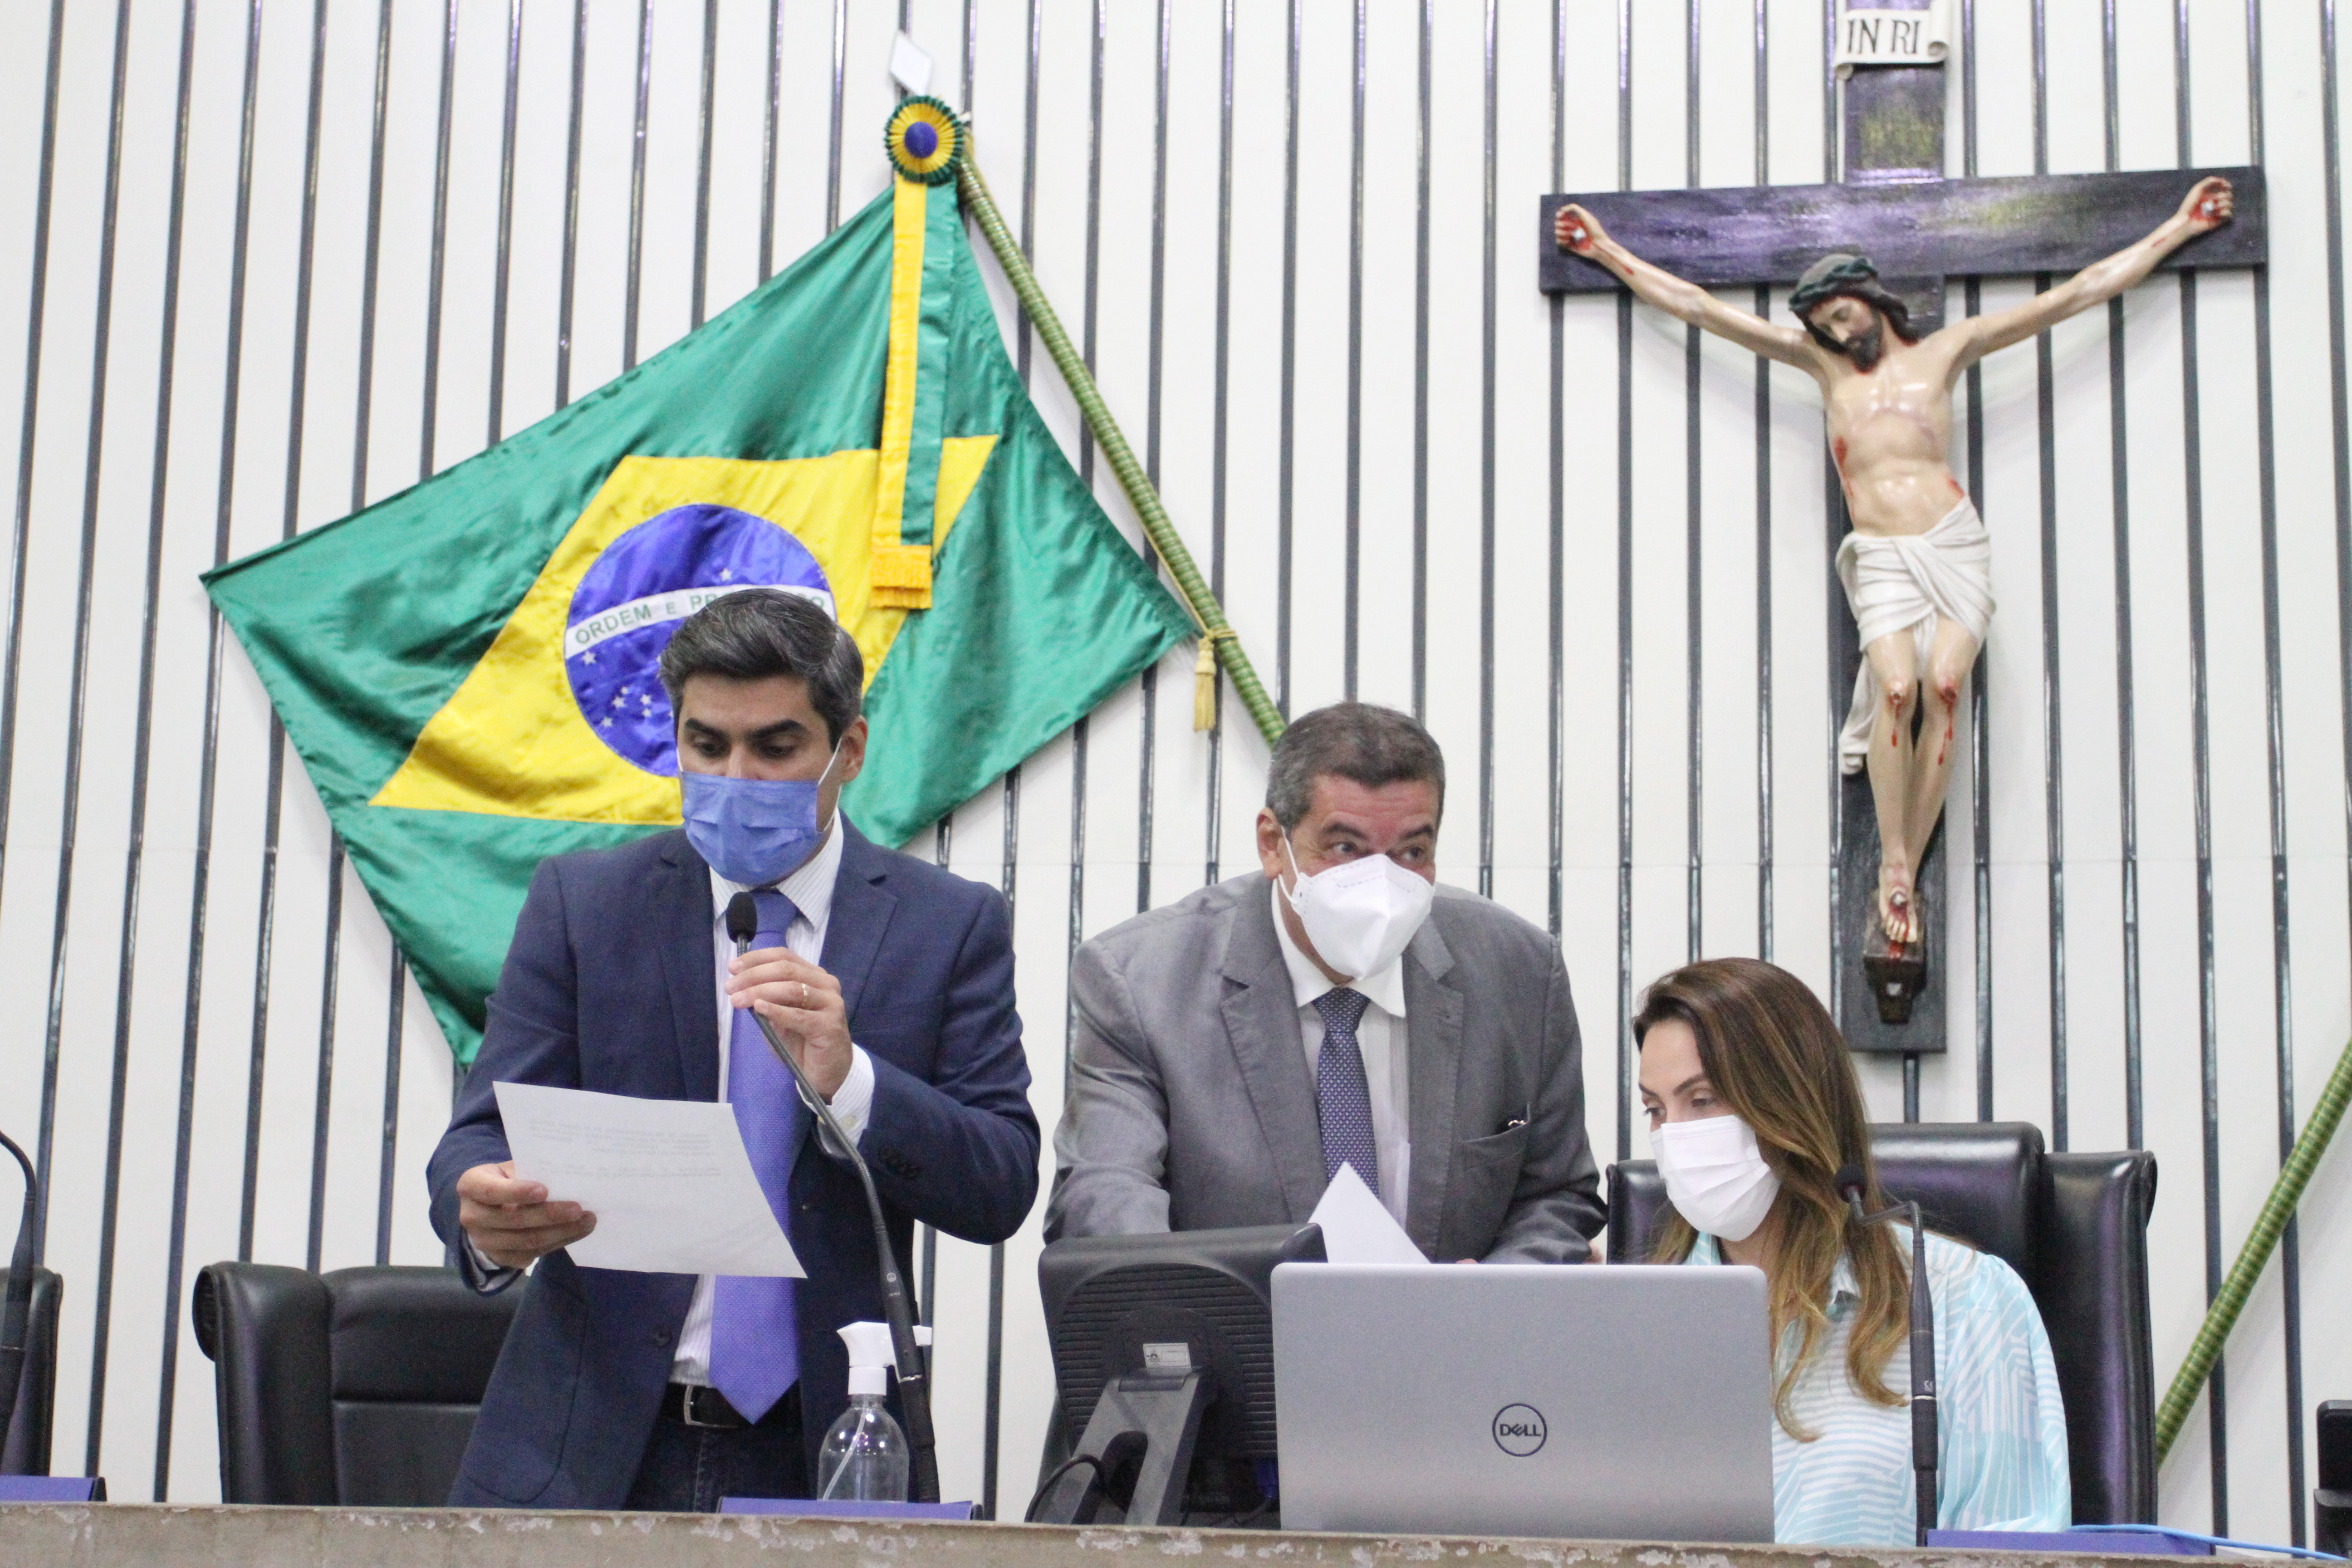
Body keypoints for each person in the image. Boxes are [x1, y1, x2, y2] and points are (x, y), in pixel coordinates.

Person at [427, 590, 1039, 1511]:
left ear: (849, 749)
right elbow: (478, 1141)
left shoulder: (947, 926)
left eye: (775, 748)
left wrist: (853, 1083)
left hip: (828, 1446)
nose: (736, 776)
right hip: (588, 1449)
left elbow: (1000, 1182)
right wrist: (482, 1214)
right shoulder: (586, 905)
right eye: (706, 746)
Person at [1557, 178, 2234, 946]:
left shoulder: (1947, 351)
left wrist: (2180, 228)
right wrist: (1605, 251)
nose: (1835, 330)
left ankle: (1906, 860)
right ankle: (1895, 860)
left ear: (1869, 298)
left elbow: (2077, 293)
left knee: (1944, 687)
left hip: (1951, 541)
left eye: (1840, 313)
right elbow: (1699, 308)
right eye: (1822, 324)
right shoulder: (1821, 367)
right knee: (1897, 687)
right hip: (1880, 552)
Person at [1047, 701, 1602, 1263]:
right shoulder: (1142, 982)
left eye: (1413, 852)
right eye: (1345, 849)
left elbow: (1557, 1195)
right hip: (1238, 1318)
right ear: (1273, 844)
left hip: (1461, 1321)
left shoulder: (1520, 972)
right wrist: (1206, 1301)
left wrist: (1489, 1293)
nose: (1381, 883)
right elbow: (1106, 1196)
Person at [1633, 957, 2068, 1544]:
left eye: (1704, 1100)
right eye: (1656, 1110)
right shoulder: (1638, 1323)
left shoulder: (1965, 1300)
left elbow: (2013, 1548)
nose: (1675, 1137)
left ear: (1792, 1103)